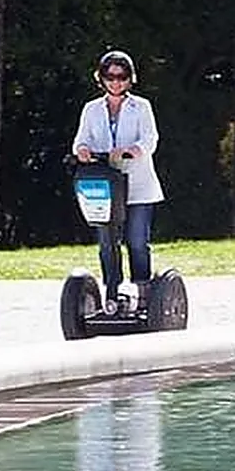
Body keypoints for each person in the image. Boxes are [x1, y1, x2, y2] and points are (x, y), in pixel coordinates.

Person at [72, 50, 164, 311]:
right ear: (101, 78)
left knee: (136, 241)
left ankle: (143, 293)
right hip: (104, 187)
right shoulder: (91, 109)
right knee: (106, 243)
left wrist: (134, 150)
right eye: (110, 76)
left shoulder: (141, 106)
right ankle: (111, 293)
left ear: (130, 78)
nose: (116, 82)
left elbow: (150, 139)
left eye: (121, 76)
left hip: (138, 185)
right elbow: (81, 140)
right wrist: (82, 151)